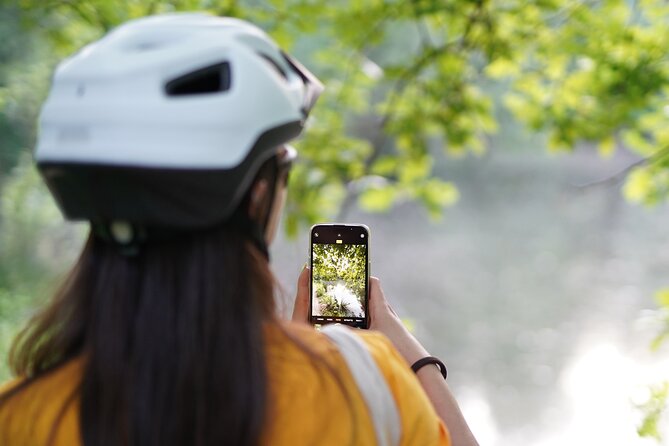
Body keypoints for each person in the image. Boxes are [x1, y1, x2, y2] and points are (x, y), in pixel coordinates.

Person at [0, 13, 478, 446]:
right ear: (256, 197)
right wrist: (400, 350)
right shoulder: (363, 390)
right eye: (282, 170)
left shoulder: (19, 416)